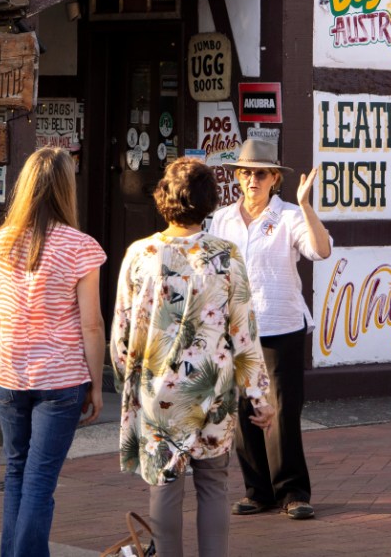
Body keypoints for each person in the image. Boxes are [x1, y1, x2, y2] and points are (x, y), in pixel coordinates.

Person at [111, 156, 274, 557]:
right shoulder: (226, 256)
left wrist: (124, 382)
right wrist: (259, 394)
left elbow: (122, 330)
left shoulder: (140, 254)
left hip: (158, 392)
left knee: (164, 487)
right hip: (213, 390)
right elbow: (243, 331)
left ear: (164, 197)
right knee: (214, 486)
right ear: (209, 202)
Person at [0, 146, 106, 557]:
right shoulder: (80, 246)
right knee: (40, 480)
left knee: (16, 471)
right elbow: (92, 324)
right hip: (62, 377)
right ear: (66, 189)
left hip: (8, 373)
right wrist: (97, 383)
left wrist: (6, 362)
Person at [209, 138, 332, 521]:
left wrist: (308, 206)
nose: (252, 180)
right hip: (236, 329)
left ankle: (292, 492)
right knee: (244, 410)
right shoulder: (222, 219)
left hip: (281, 325)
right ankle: (257, 491)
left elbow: (321, 250)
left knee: (280, 411)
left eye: (260, 173)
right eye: (245, 172)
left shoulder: (291, 216)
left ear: (274, 178)